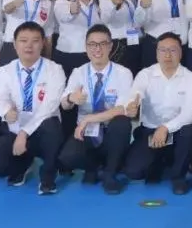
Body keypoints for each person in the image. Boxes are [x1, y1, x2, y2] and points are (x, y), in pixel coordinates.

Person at [0, 22, 65, 194]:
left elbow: (49, 106)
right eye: (23, 40)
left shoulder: (55, 70)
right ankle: (24, 163)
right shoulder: (5, 71)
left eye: (35, 41)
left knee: (51, 125)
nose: (29, 46)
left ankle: (48, 176)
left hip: (43, 129)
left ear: (43, 43)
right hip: (14, 128)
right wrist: (6, 111)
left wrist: (24, 133)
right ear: (14, 43)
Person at [57, 24, 135, 195]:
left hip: (110, 129)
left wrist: (88, 119)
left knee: (122, 123)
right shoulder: (79, 72)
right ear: (86, 47)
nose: (97, 49)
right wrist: (71, 98)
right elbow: (64, 104)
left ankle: (110, 173)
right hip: (87, 132)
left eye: (102, 44)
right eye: (92, 44)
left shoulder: (123, 73)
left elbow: (122, 109)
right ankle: (92, 167)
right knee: (67, 157)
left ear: (111, 46)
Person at [123, 33, 192, 194]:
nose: (167, 55)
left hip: (177, 132)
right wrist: (132, 104)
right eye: (163, 50)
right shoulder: (145, 74)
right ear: (156, 53)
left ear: (181, 52)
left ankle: (179, 178)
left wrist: (165, 128)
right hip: (150, 131)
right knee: (133, 172)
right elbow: (136, 92)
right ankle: (160, 160)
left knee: (188, 131)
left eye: (173, 50)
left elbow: (190, 114)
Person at [52, 0, 101, 147]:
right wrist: (72, 10)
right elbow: (64, 17)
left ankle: (86, 140)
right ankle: (65, 142)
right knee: (67, 100)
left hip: (91, 58)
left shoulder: (98, 5)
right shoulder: (62, 3)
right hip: (67, 57)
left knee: (87, 99)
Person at [100, 0, 147, 74]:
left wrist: (143, 7)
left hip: (138, 43)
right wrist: (113, 3)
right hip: (118, 45)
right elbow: (105, 19)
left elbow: (139, 22)